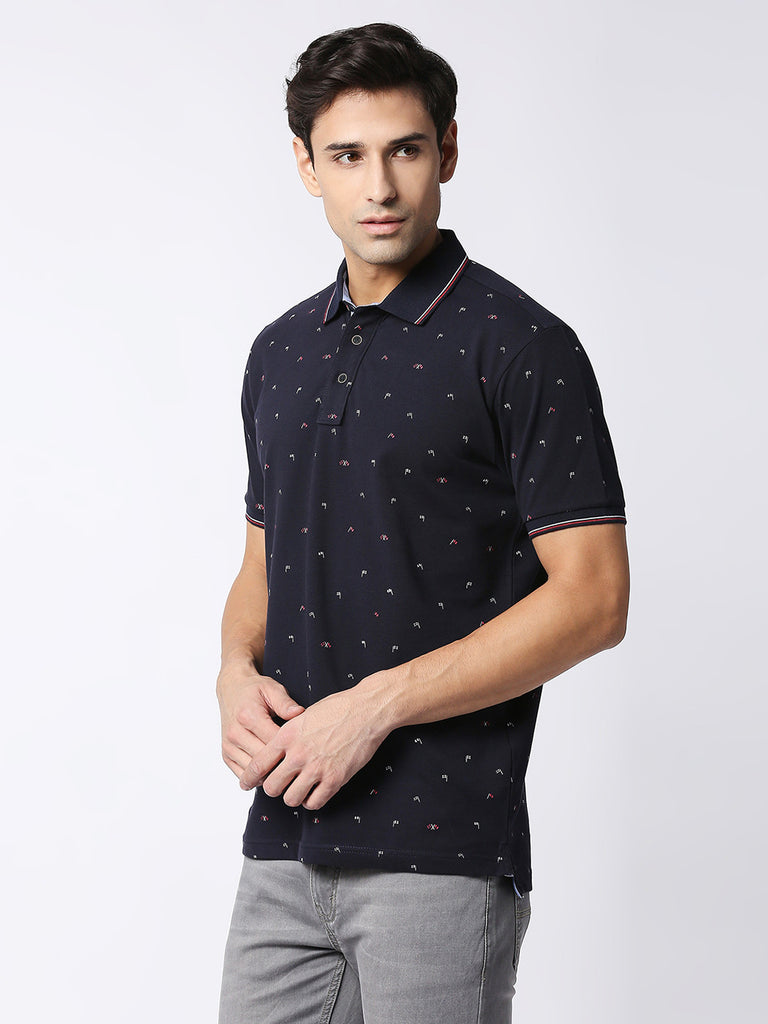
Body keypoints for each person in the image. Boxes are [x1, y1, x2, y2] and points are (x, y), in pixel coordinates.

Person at [216, 22, 629, 1024]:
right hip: (283, 842)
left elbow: (595, 600)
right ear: (306, 167)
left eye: (404, 149)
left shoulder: (522, 345)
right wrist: (232, 668)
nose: (380, 187)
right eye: (347, 156)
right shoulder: (279, 351)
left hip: (441, 850)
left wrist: (376, 704)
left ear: (446, 150)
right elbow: (261, 564)